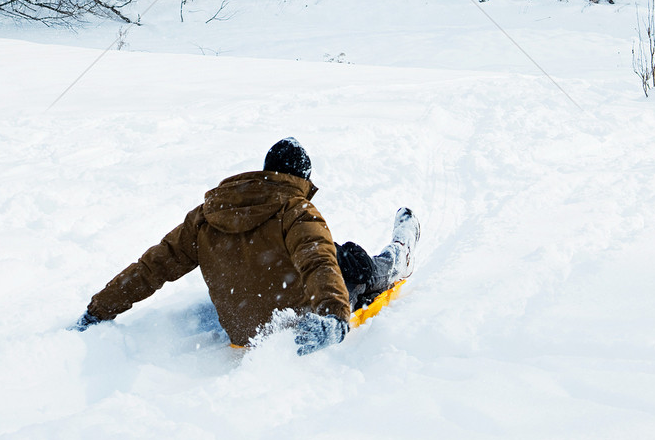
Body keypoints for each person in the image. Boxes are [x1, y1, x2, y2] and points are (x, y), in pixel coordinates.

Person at [71, 137, 420, 354]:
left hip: (243, 327)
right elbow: (319, 265)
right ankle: (399, 254)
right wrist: (333, 317)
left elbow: (153, 267)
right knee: (353, 263)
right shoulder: (295, 210)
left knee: (336, 253)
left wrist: (100, 308)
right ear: (302, 178)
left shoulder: (207, 215)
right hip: (302, 327)